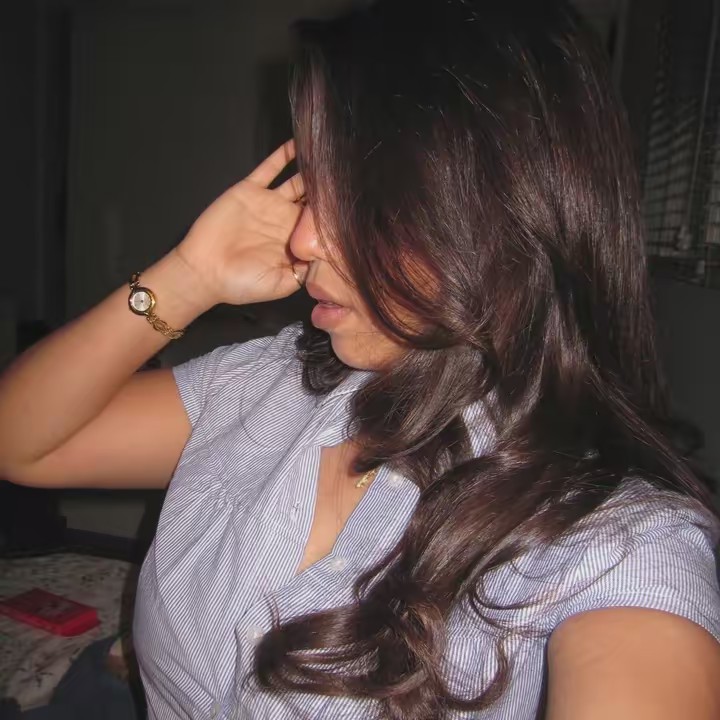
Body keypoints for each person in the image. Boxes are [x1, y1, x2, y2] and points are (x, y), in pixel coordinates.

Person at [1, 0, 719, 718]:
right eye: (316, 186)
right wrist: (187, 277)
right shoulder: (272, 382)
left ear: (493, 209)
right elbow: (23, 442)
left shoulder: (613, 544)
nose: (304, 239)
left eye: (360, 195)